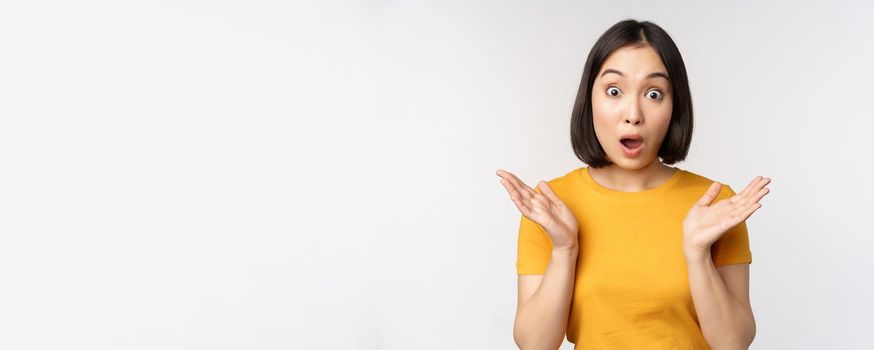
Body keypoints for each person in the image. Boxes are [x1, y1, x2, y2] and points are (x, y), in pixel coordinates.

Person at [496, 19, 771, 350]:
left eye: (654, 94)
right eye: (614, 91)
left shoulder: (715, 203)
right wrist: (564, 250)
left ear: (674, 106)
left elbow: (734, 343)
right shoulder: (552, 205)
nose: (633, 114)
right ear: (590, 98)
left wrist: (697, 253)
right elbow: (535, 344)